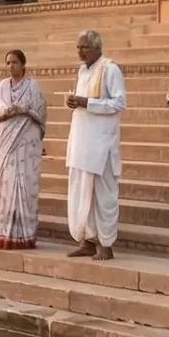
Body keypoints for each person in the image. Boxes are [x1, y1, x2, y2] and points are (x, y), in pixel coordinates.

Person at [64, 30, 127, 259]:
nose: (80, 52)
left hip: (101, 146)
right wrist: (74, 102)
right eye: (78, 48)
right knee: (82, 195)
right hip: (81, 144)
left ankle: (106, 245)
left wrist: (87, 103)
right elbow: (83, 103)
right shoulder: (82, 71)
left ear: (97, 48)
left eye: (84, 47)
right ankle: (87, 241)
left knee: (103, 196)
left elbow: (119, 103)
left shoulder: (110, 69)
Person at [0, 49, 46, 250]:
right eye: (8, 63)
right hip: (6, 146)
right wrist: (6, 114)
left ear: (23, 64)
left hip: (26, 145)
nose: (11, 66)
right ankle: (6, 235)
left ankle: (26, 235)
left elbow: (41, 115)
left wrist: (23, 111)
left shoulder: (33, 87)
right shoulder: (1, 87)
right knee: (7, 187)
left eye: (14, 62)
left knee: (26, 187)